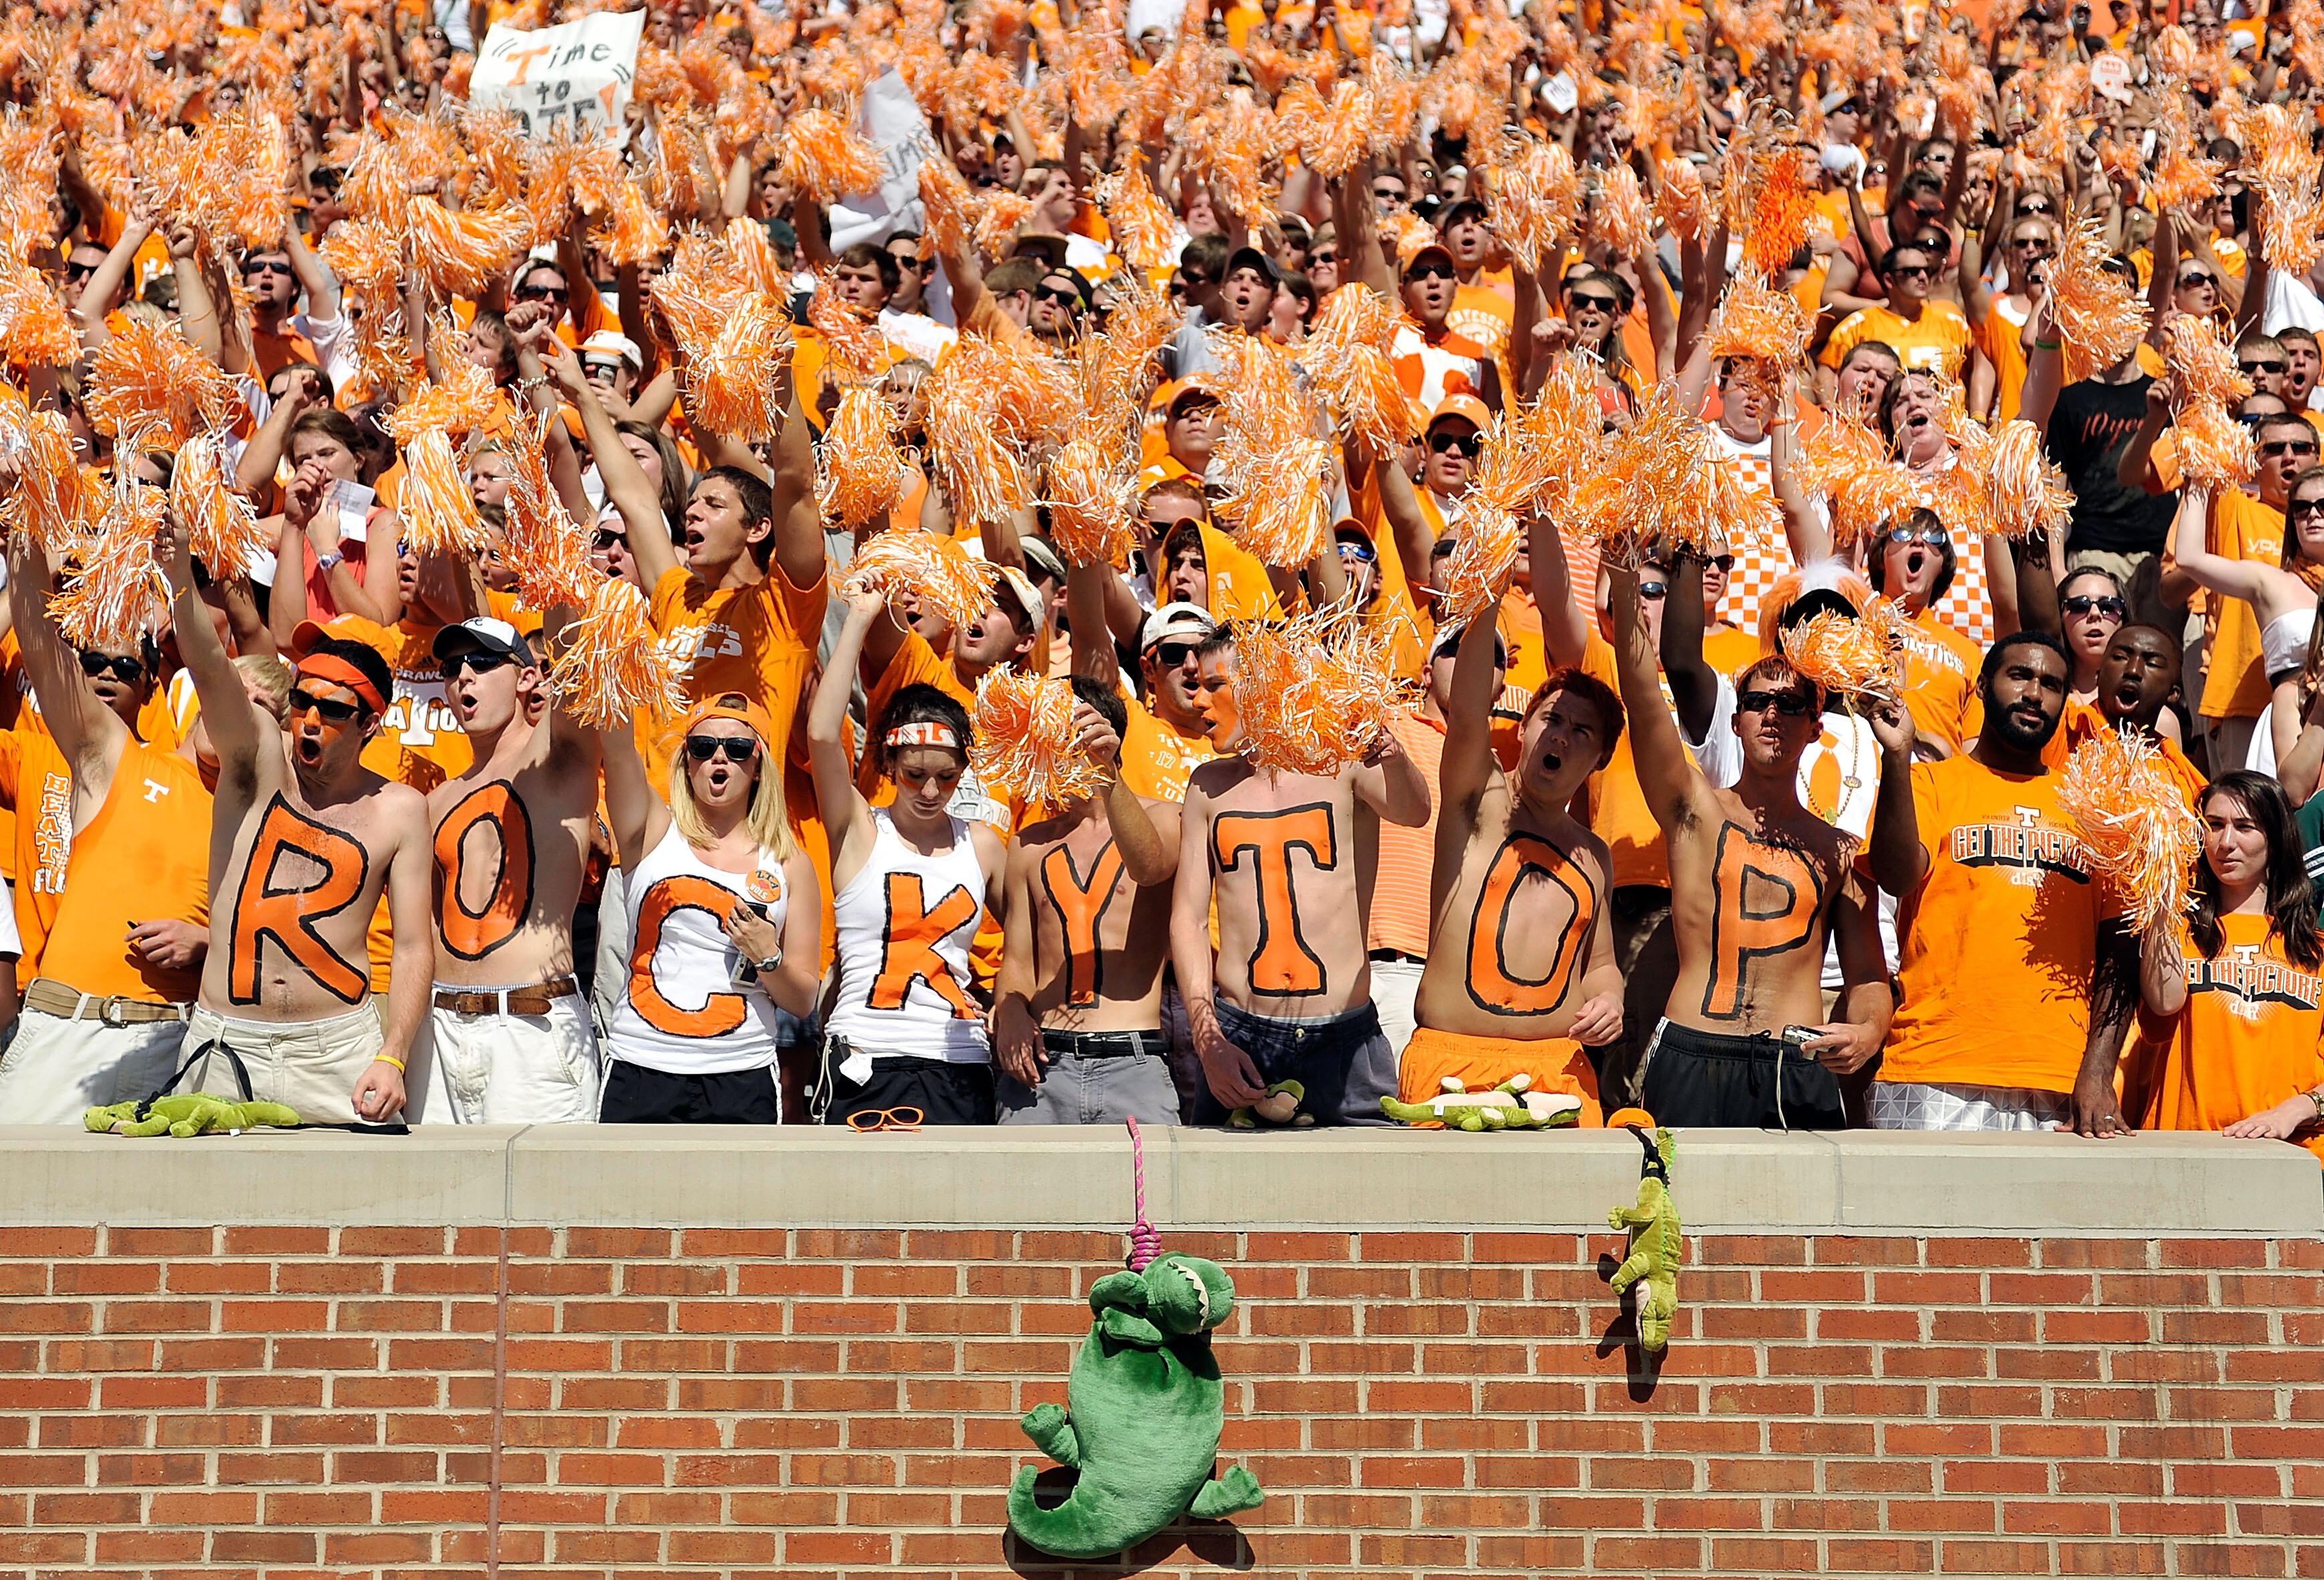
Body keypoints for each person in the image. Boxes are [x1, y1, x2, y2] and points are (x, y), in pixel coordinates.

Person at [156, 513, 435, 1126]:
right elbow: (209, 665)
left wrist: (393, 1055)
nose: (309, 719)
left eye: (332, 710)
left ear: (370, 726)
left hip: (339, 1047)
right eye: (303, 700)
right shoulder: (255, 758)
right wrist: (180, 575)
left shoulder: (399, 810)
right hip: (226, 1040)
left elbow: (415, 946)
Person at [1607, 560, 1891, 1129]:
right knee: (1677, 1217)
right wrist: (1620, 574)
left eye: (1790, 707)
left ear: (1815, 727)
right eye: (1758, 703)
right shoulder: (1695, 810)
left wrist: (1864, 1031)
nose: (1771, 715)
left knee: (1803, 1223)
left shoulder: (1838, 850)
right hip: (1693, 1050)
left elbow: (1867, 979)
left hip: (1796, 1062)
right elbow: (1641, 696)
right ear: (1734, 722)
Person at [1865, 631, 2137, 1135]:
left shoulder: (2096, 808)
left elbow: (2121, 951)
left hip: (2060, 1077)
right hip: (1933, 1068)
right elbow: (1895, 875)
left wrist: (2099, 1070)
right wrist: (1898, 757)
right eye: (2020, 676)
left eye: (2051, 683)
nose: (2035, 693)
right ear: (1983, 687)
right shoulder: (1931, 783)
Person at [1170, 629, 1431, 1126]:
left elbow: (1414, 811)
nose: (1198, 699)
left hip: (1344, 1038)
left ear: (1266, 684)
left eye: (1214, 684)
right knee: (1225, 1202)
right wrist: (1208, 1041)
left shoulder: (1342, 761)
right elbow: (1187, 920)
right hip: (1240, 1038)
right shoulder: (1206, 785)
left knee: (1369, 1197)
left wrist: (1392, 754)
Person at [0, 530, 211, 1122]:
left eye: (126, 665)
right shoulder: (78, 754)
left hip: (163, 1035)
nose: (108, 673)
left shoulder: (241, 804)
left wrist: (207, 944)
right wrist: (27, 529)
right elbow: (42, 649)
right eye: (93, 662)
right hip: (55, 1017)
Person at [1402, 614, 1626, 1122]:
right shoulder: (1477, 801)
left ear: (1601, 756)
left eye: (1581, 731)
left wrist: (1610, 999)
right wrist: (1488, 599)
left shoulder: (1594, 854)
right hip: (1449, 1062)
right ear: (1523, 728)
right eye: (1552, 720)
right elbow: (1466, 710)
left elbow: (1600, 965)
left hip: (1555, 1075)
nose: (1561, 738)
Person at [811, 591, 1007, 1124]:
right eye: (913, 774)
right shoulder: (857, 829)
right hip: (863, 1055)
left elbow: (1032, 944)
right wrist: (857, 621)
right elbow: (823, 735)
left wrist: (1015, 1007)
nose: (928, 791)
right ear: (888, 762)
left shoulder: (983, 842)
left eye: (946, 777)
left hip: (959, 1059)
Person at [597, 690, 821, 1123]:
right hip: (642, 1063)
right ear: (687, 762)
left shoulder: (791, 863)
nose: (719, 758)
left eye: (737, 749)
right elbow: (618, 747)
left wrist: (768, 957)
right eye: (703, 747)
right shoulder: (651, 832)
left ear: (758, 766)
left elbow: (803, 1001)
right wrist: (612, 656)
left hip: (742, 1073)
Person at [423, 618, 603, 1124]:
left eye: (481, 663)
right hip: (440, 1030)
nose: (463, 676)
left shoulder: (555, 763)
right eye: (451, 667)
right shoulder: (436, 800)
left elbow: (579, 662)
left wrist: (558, 581)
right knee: (431, 1202)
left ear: (526, 678)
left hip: (533, 1031)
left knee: (548, 1202)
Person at [992, 679, 1183, 1124]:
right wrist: (1011, 1011)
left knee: (1148, 1195)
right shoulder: (1028, 842)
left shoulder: (1168, 814)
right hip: (1043, 1061)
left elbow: (1149, 866)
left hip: (1132, 1057)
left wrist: (1106, 772)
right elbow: (1017, 965)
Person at [2125, 773, 2324, 1164]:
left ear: (2276, 838)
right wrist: (2164, 891)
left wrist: (2295, 1110)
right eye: (2214, 826)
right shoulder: (2177, 931)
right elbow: (2164, 1004)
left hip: (2293, 1160)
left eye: (2245, 827)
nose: (2225, 842)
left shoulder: (2316, 950)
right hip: (2186, 1154)